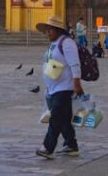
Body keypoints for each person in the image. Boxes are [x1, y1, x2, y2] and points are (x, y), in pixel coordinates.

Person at [35, 16, 82, 160]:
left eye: (50, 30)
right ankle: (71, 145)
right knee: (64, 118)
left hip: (64, 87)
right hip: (54, 87)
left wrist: (77, 83)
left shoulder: (67, 43)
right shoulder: (54, 43)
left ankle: (47, 147)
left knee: (55, 117)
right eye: (46, 30)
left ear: (58, 30)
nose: (47, 33)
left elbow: (75, 64)